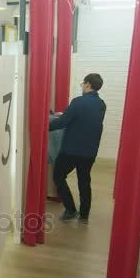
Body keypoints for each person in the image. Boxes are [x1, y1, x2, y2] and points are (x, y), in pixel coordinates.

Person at [49, 73, 106, 224]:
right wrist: (65, 115)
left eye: (82, 83)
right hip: (90, 152)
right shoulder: (101, 104)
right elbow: (85, 121)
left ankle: (70, 209)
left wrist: (43, 125)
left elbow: (62, 123)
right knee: (84, 180)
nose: (81, 86)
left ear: (87, 84)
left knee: (58, 176)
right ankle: (84, 214)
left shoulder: (78, 102)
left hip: (71, 150)